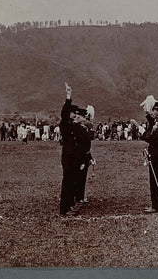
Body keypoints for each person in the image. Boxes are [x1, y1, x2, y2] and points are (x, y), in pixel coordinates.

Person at [58, 83, 90, 216]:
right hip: (68, 157)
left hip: (74, 157)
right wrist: (68, 96)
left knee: (72, 181)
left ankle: (70, 205)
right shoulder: (65, 125)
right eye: (72, 113)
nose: (74, 115)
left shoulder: (73, 126)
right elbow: (64, 114)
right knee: (67, 182)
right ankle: (64, 209)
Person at [131, 98, 158, 214]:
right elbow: (151, 124)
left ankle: (156, 206)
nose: (153, 112)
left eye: (155, 110)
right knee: (154, 179)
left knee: (155, 179)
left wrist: (143, 136)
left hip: (157, 154)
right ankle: (155, 204)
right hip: (156, 153)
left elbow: (155, 140)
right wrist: (147, 115)